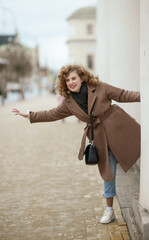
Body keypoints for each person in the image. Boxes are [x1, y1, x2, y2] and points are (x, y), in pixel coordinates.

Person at [12, 64, 140, 224]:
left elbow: (123, 95)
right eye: (67, 80)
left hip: (119, 127)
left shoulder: (100, 88)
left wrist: (146, 95)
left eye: (73, 78)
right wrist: (30, 115)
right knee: (108, 173)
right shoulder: (69, 102)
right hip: (100, 136)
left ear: (82, 78)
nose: (71, 82)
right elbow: (52, 114)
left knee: (141, 151)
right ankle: (109, 210)